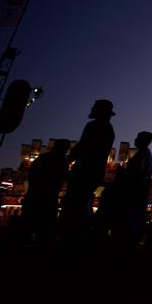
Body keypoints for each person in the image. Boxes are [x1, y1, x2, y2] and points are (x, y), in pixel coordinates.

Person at [60, 99, 116, 243]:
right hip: (94, 172)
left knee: (74, 204)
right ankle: (79, 236)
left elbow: (82, 146)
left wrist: (67, 161)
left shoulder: (94, 126)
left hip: (84, 171)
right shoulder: (109, 130)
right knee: (83, 203)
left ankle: (70, 237)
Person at [114, 131, 152, 252]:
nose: (135, 140)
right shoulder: (145, 154)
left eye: (137, 138)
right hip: (138, 193)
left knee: (130, 222)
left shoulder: (143, 154)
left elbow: (136, 174)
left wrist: (122, 172)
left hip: (135, 194)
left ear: (142, 141)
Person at [22, 139, 70, 245]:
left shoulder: (42, 159)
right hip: (48, 200)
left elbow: (31, 176)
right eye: (66, 149)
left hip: (33, 197)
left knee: (27, 230)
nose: (66, 152)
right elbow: (65, 177)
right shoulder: (61, 161)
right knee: (44, 232)